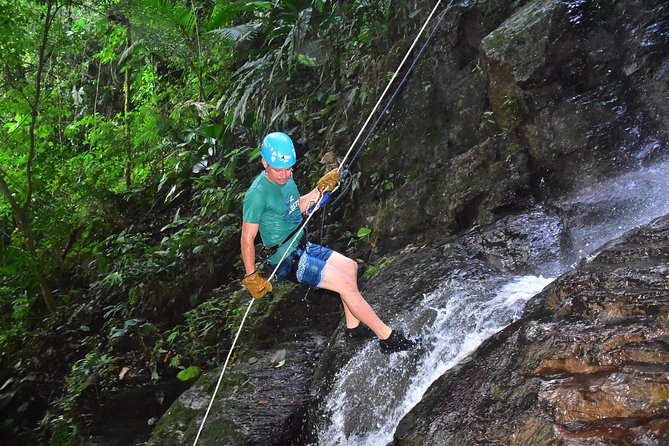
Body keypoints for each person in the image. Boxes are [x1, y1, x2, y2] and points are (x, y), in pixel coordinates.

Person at [240, 132, 417, 353]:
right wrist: (251, 276)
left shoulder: (286, 177)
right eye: (278, 170)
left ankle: (353, 328)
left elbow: (296, 205)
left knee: (350, 267)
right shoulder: (257, 194)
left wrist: (319, 190)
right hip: (286, 259)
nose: (285, 175)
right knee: (346, 285)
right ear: (264, 162)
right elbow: (247, 237)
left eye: (289, 169)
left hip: (301, 245)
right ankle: (388, 339)